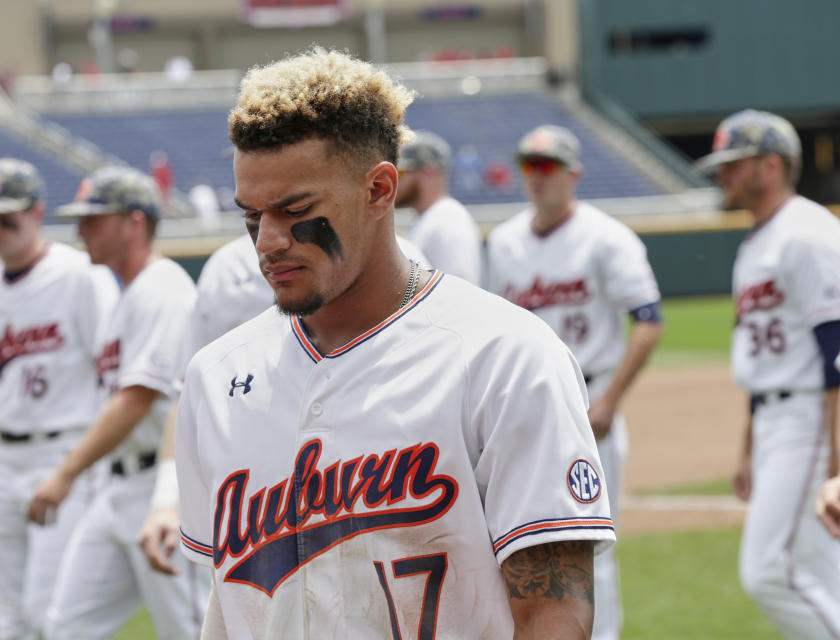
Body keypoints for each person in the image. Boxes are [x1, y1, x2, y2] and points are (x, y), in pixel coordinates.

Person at [174, 47, 615, 639]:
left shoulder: (505, 357)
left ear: (380, 189)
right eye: (251, 216)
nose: (267, 242)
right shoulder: (217, 376)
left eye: (295, 209)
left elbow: (554, 612)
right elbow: (228, 608)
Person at [138, 235, 430, 574]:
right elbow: (190, 394)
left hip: (373, 477)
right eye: (252, 213)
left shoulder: (396, 257)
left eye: (297, 206)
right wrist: (164, 502)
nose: (268, 232)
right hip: (259, 492)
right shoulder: (227, 268)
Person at [487, 124, 663, 640]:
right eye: (529, 167)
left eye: (547, 167)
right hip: (523, 406)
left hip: (589, 401)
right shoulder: (503, 242)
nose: (537, 177)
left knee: (591, 548)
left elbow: (649, 320)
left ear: (573, 174)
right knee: (517, 545)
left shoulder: (607, 238)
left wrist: (611, 399)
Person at [26, 166, 204, 639]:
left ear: (135, 222)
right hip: (117, 491)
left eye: (94, 218)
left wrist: (65, 473)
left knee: (189, 631)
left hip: (164, 490)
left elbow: (137, 399)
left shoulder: (162, 289)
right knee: (65, 627)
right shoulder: (123, 296)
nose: (80, 230)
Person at [0, 158, 117, 639]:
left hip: (63, 452)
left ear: (36, 212)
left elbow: (113, 374)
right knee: (13, 618)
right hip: (3, 463)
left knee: (51, 612)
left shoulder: (80, 275)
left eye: (6, 218)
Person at [695, 109, 840, 639]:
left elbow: (836, 352)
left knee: (771, 573)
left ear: (772, 165)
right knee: (823, 577)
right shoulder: (758, 242)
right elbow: (759, 363)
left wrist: (836, 461)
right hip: (777, 420)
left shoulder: (806, 234)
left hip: (810, 421)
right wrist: (749, 449)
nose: (723, 175)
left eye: (735, 164)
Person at [395, 130, 483, 284]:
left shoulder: (448, 221)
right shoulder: (431, 219)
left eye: (400, 173)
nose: (393, 181)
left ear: (428, 171)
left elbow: (460, 292)